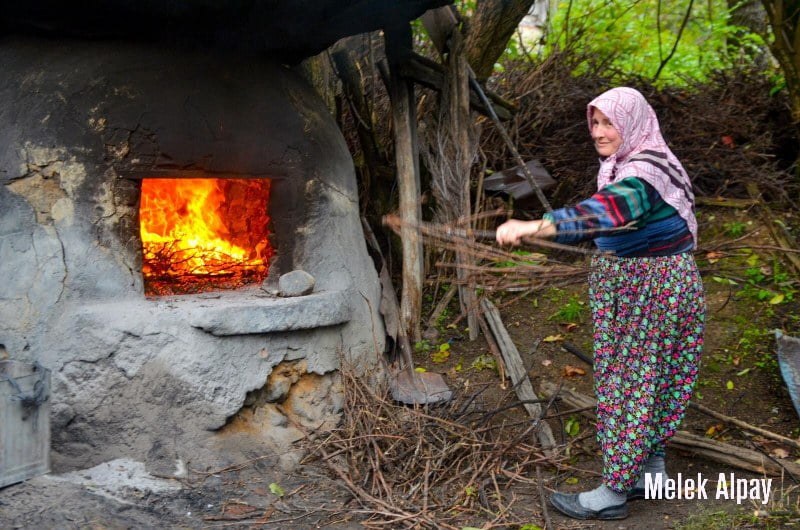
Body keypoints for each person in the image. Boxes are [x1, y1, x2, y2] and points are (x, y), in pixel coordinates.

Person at [495, 87, 705, 520]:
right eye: (594, 121)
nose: (598, 131)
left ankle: (614, 491)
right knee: (656, 378)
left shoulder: (644, 172)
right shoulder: (633, 162)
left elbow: (609, 211)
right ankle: (650, 468)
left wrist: (538, 224)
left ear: (632, 123)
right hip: (660, 282)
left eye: (609, 122)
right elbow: (606, 217)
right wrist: (548, 231)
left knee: (631, 382)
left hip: (649, 290)